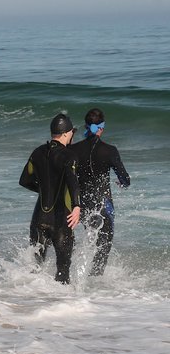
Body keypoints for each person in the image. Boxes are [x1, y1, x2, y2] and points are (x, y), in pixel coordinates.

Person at [19, 113, 81, 284]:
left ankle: (31, 300)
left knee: (35, 267)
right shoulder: (69, 156)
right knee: (63, 270)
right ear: (67, 133)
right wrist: (76, 206)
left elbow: (24, 180)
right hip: (61, 220)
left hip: (38, 218)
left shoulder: (37, 152)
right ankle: (61, 305)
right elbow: (73, 182)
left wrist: (44, 190)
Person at [70, 108, 130, 276]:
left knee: (87, 241)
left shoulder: (73, 150)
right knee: (103, 247)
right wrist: (122, 183)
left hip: (81, 206)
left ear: (86, 126)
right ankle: (96, 289)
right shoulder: (110, 150)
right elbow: (125, 179)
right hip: (104, 206)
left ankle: (77, 277)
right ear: (101, 128)